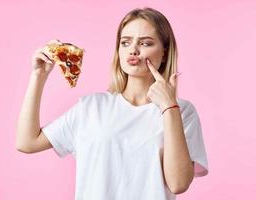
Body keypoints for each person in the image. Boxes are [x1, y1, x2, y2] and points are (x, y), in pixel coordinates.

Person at [16, 7, 209, 200]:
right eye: (125, 42)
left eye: (145, 43)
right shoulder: (91, 108)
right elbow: (27, 142)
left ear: (165, 53)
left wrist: (169, 106)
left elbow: (178, 184)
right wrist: (38, 76)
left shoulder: (182, 111)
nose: (133, 49)